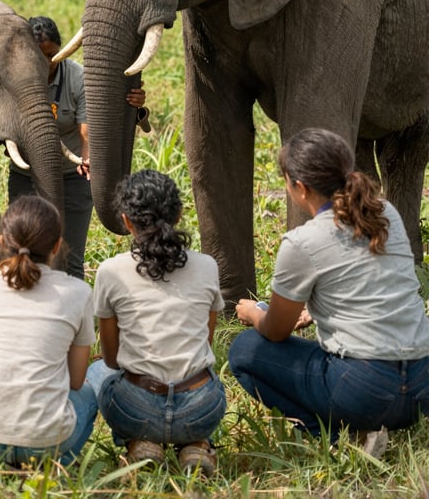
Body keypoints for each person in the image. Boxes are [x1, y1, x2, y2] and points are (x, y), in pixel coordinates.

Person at [229, 128, 429, 457]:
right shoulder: (385, 213)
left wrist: (253, 313)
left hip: (366, 390)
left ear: (299, 187)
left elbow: (275, 332)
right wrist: (318, 311)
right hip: (421, 384)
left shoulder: (302, 242)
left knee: (245, 350)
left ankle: (340, 438)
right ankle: (365, 428)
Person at [86, 169, 226, 476]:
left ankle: (139, 442)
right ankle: (197, 445)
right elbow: (206, 342)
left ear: (126, 221)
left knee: (97, 370)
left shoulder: (110, 272)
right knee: (203, 376)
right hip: (202, 407)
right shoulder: (207, 266)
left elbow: (111, 358)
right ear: (179, 215)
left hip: (135, 409)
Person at [0, 194, 98, 468]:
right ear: (57, 246)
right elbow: (76, 382)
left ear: (3, 243)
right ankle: (50, 464)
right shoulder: (78, 292)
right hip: (48, 442)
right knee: (89, 393)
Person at [8, 15, 146, 279]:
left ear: (61, 49)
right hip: (27, 174)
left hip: (71, 176)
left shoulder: (77, 78)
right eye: (38, 57)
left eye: (52, 55)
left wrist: (87, 159)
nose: (46, 64)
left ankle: (73, 313)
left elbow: (86, 130)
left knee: (69, 257)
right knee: (23, 251)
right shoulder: (15, 76)